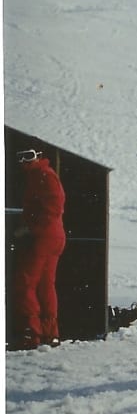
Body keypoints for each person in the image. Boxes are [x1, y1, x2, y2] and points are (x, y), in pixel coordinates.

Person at [9, 149, 66, 351]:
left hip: (45, 237)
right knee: (45, 285)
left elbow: (56, 206)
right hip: (53, 236)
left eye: (29, 156)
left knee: (25, 282)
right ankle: (50, 334)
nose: (24, 161)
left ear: (38, 155)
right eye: (20, 156)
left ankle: (31, 333)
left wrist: (30, 227)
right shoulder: (40, 175)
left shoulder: (43, 175)